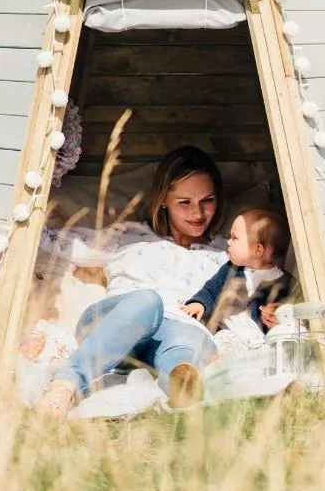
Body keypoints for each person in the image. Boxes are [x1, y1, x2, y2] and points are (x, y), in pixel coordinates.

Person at [34, 146, 241, 416]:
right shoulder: (130, 236)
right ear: (164, 199)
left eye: (208, 200)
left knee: (188, 341)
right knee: (147, 302)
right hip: (115, 321)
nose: (198, 213)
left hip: (176, 331)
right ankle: (65, 385)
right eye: (185, 202)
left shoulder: (228, 253)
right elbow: (62, 243)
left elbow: (257, 287)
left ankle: (183, 384)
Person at [181, 207, 296, 333]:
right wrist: (200, 303)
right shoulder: (231, 269)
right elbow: (210, 290)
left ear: (258, 250)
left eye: (234, 238)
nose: (228, 242)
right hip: (227, 333)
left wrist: (279, 317)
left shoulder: (287, 283)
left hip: (261, 341)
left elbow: (295, 313)